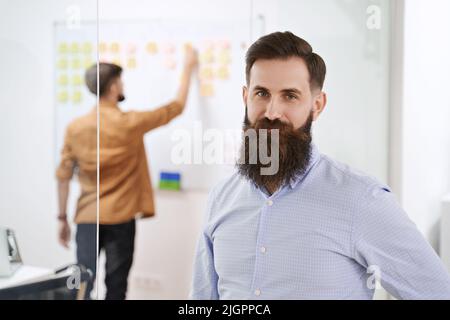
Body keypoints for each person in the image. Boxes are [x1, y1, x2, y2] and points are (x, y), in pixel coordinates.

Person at [190, 31, 450, 299]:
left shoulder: (362, 200)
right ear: (246, 97)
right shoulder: (221, 198)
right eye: (262, 93)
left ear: (317, 105)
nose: (272, 112)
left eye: (289, 96)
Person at [56, 47, 198, 299]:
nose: (123, 86)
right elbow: (175, 107)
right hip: (121, 217)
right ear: (113, 87)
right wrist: (188, 68)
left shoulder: (75, 128)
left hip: (87, 216)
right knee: (117, 285)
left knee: (82, 285)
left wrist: (61, 218)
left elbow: (63, 176)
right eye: (120, 81)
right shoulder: (129, 123)